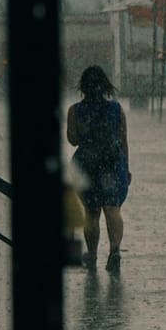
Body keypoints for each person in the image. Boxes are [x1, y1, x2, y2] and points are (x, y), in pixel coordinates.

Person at [66, 66, 131, 273]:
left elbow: (72, 139)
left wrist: (87, 132)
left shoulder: (75, 110)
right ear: (104, 86)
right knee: (112, 208)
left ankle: (92, 255)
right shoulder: (116, 109)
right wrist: (126, 168)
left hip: (86, 164)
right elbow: (123, 141)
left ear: (83, 87)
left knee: (91, 212)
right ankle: (115, 251)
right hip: (112, 164)